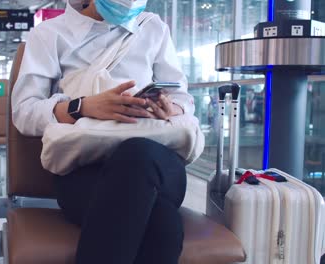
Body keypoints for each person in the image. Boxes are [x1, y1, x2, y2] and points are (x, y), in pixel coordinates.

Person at [11, 0, 196, 263]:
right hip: (85, 169)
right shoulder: (50, 34)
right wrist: (84, 106)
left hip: (158, 162)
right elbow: (24, 112)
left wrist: (169, 107)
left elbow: (184, 100)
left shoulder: (154, 28)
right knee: (162, 225)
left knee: (137, 153)